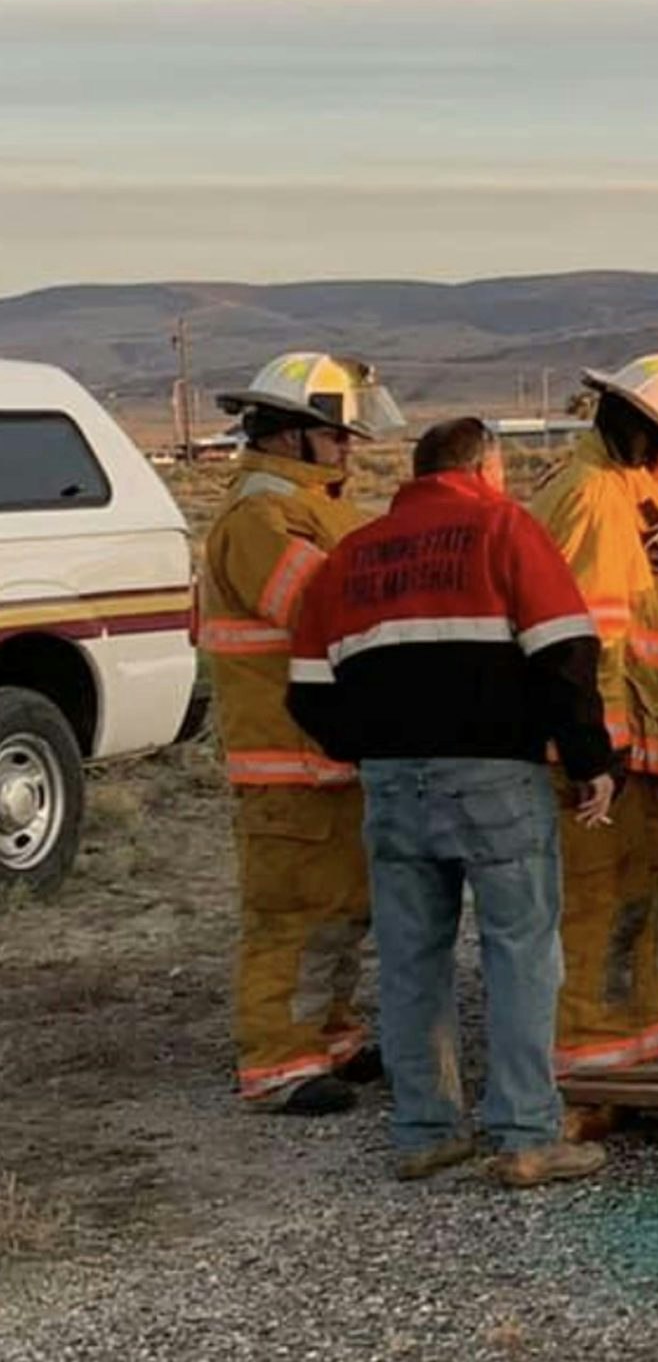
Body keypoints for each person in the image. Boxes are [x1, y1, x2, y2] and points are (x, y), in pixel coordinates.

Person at [286, 418, 619, 1186]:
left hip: (392, 783)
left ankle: (425, 1131)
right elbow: (565, 652)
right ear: (487, 466)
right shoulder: (505, 528)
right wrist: (589, 759)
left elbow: (305, 689)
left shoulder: (353, 555)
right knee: (521, 952)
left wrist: (369, 744)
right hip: (496, 776)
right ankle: (528, 1134)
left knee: (409, 961)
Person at [200, 352, 397, 1114]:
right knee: (289, 916)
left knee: (342, 906)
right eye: (335, 436)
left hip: (324, 754)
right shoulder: (261, 515)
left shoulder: (313, 506)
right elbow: (324, 610)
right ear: (290, 437)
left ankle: (330, 1036)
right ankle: (278, 1063)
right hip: (284, 762)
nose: (349, 449)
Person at [529, 355, 658, 1075]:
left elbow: (630, 650)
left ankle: (631, 1053)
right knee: (596, 908)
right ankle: (590, 1068)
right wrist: (601, 756)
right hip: (597, 762)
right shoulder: (596, 501)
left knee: (624, 903)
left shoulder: (594, 493)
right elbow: (584, 642)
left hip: (621, 748)